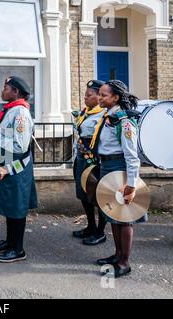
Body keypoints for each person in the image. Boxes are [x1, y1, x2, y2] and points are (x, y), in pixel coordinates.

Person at [91, 79, 146, 278]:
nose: (100, 98)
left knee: (124, 219)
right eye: (100, 94)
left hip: (119, 169)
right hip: (107, 167)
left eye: (104, 95)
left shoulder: (124, 121)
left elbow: (132, 156)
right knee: (113, 214)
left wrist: (131, 186)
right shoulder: (108, 117)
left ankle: (124, 262)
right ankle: (117, 254)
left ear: (116, 98)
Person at [0, 76, 38, 263]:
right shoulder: (11, 110)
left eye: (6, 87)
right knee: (10, 206)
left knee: (17, 208)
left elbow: (20, 146)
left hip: (17, 167)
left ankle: (18, 249)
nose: (2, 90)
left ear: (15, 92)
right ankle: (10, 242)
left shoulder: (20, 114)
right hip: (7, 163)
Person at [72, 80, 108, 245]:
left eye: (89, 95)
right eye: (85, 95)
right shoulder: (86, 112)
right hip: (81, 159)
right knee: (83, 195)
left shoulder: (103, 115)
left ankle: (100, 232)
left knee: (97, 195)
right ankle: (90, 226)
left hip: (94, 161)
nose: (85, 98)